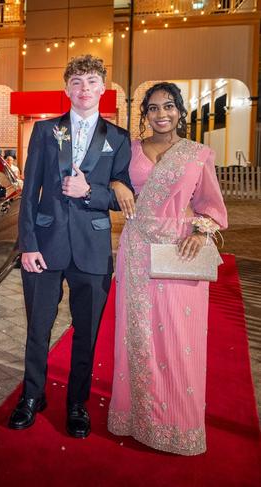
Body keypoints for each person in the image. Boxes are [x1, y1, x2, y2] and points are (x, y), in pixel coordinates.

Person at [9, 55, 132, 437]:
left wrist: (90, 191)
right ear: (67, 89)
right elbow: (29, 194)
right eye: (77, 82)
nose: (84, 89)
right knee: (38, 327)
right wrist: (28, 245)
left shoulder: (119, 138)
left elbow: (123, 197)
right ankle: (32, 395)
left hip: (93, 251)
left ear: (103, 89)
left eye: (92, 81)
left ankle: (77, 402)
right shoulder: (45, 131)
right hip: (45, 247)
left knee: (87, 331)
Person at [107, 82, 228, 456]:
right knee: (137, 334)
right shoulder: (129, 151)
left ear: (180, 111)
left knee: (179, 337)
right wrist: (114, 181)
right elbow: (108, 180)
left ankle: (178, 423)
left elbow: (212, 206)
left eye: (169, 106)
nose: (162, 114)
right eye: (154, 108)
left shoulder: (198, 154)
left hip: (179, 251)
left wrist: (200, 230)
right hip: (138, 248)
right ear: (144, 114)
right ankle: (135, 417)